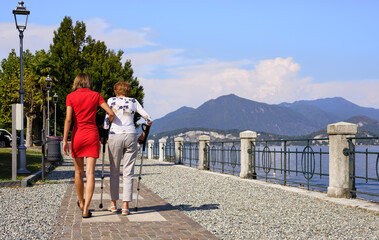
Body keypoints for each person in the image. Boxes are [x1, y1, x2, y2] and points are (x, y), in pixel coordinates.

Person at [63, 73, 114, 218]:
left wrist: (65, 140)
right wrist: (106, 128)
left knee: (78, 172)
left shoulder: (70, 96)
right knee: (90, 173)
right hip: (92, 135)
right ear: (88, 82)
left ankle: (80, 202)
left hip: (77, 135)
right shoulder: (96, 95)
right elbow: (110, 113)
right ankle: (86, 209)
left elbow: (68, 119)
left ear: (76, 82)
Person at [103, 81, 152, 216]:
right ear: (129, 91)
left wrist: (105, 129)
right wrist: (143, 135)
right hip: (131, 135)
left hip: (115, 135)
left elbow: (107, 120)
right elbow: (149, 119)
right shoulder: (134, 101)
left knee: (114, 170)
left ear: (116, 91)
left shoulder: (111, 100)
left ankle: (113, 204)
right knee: (128, 172)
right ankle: (125, 206)